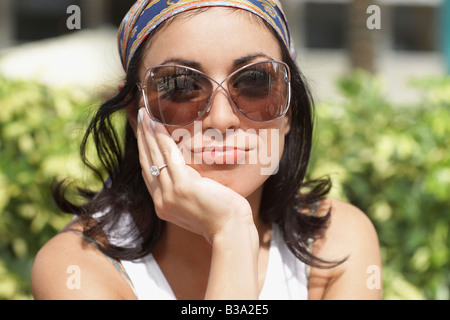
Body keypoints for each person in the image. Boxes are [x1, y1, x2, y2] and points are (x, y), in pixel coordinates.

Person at [31, 0, 382, 300]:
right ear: (134, 115)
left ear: (288, 110)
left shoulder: (336, 242)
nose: (221, 119)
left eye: (255, 82)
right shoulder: (76, 267)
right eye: (180, 87)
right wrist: (231, 232)